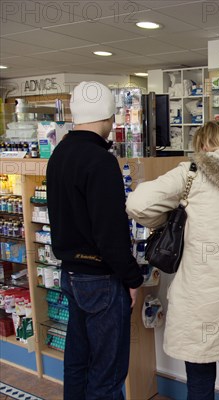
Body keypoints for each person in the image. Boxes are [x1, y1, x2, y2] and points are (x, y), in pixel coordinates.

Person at [126, 121, 219, 400]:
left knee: (199, 379)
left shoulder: (193, 172)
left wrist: (169, 220)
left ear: (203, 147)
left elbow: (136, 204)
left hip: (199, 295)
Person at [47, 81, 143, 400]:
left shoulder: (60, 154)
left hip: (71, 275)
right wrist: (132, 278)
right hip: (101, 279)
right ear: (107, 117)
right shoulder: (100, 161)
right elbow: (110, 233)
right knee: (107, 374)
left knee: (77, 363)